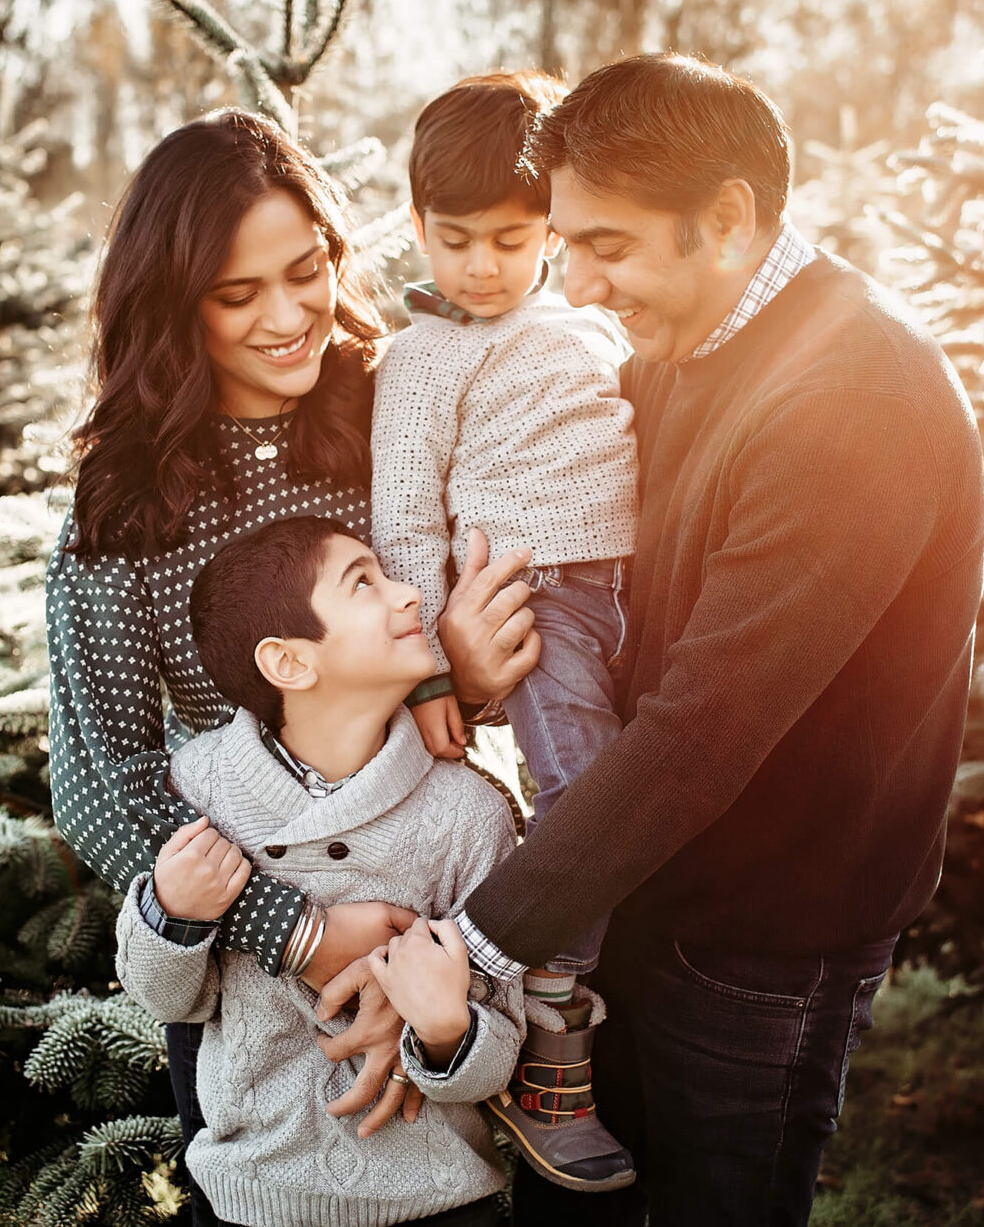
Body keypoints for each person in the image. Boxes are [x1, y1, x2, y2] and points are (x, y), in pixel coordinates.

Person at [429, 54, 984, 1225]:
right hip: (638, 885)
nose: (574, 283)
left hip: (757, 945)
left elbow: (707, 721)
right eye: (568, 243)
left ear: (728, 219)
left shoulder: (853, 399)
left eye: (608, 247)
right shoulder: (679, 350)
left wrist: (481, 934)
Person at [46, 110, 443, 1222]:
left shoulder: (389, 407)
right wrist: (299, 933)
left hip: (434, 914)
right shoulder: (126, 493)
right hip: (240, 967)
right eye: (236, 295)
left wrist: (471, 661)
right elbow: (102, 772)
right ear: (175, 306)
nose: (286, 316)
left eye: (304, 270)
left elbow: (445, 611)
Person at [369, 70, 638, 1193]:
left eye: (512, 237)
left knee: (641, 790)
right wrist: (429, 666)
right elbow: (400, 517)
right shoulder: (423, 358)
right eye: (454, 237)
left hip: (639, 592)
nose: (482, 264)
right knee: (591, 800)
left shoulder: (586, 318)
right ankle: (546, 1035)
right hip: (535, 602)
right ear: (417, 223)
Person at [116, 515, 525, 1227]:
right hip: (255, 1198)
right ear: (290, 663)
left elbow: (506, 1043)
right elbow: (166, 1000)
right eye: (364, 583)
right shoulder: (198, 788)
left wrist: (446, 1027)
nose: (409, 594)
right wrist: (173, 911)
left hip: (440, 1202)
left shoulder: (469, 813)